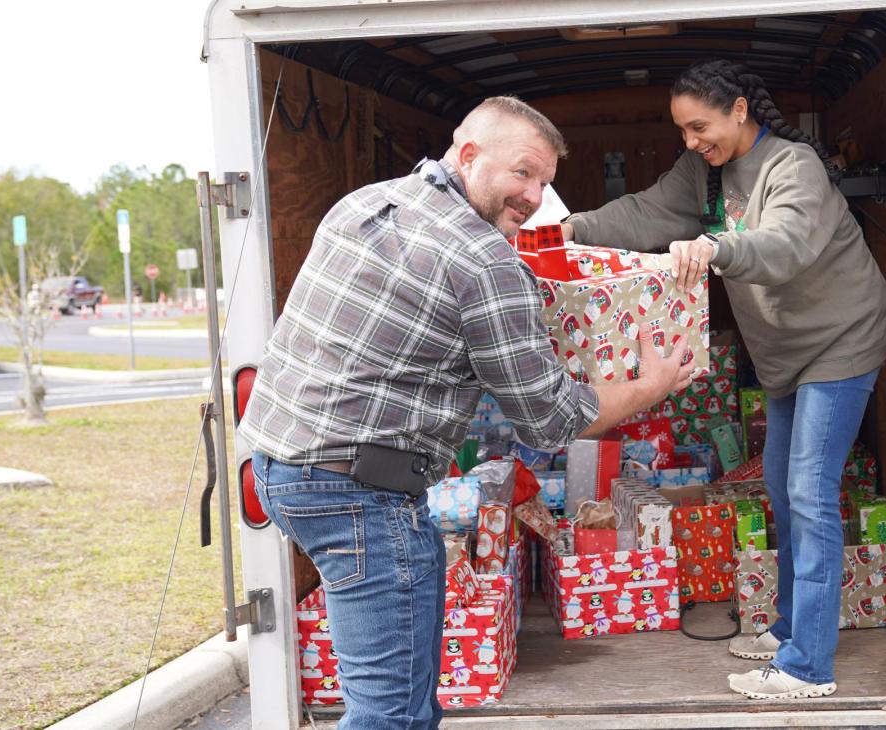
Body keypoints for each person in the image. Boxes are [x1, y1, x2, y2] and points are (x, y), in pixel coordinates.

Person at [238, 96, 694, 729]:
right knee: (390, 714)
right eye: (523, 173)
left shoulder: (366, 202)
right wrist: (651, 386)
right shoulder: (485, 260)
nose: (534, 196)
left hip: (280, 466)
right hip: (357, 493)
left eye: (545, 182)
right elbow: (551, 420)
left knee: (412, 692)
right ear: (469, 153)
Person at [561, 60, 886, 701]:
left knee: (809, 492)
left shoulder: (793, 166)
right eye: (682, 130)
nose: (691, 141)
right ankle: (792, 626)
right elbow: (649, 211)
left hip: (842, 339)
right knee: (781, 488)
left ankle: (808, 667)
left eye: (699, 127)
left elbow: (785, 245)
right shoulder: (704, 173)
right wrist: (576, 226)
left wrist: (716, 248)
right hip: (784, 354)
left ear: (739, 110)